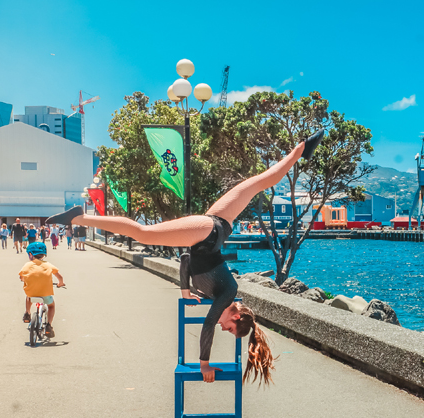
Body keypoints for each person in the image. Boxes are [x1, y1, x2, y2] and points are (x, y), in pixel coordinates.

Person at [46, 131, 325, 383]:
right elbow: (207, 326)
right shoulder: (228, 294)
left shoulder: (213, 296)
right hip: (208, 233)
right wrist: (205, 363)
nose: (224, 329)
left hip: (218, 226)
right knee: (142, 232)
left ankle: (303, 148)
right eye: (230, 328)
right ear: (237, 315)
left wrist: (184, 290)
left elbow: (186, 261)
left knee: (256, 184)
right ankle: (79, 217)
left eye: (226, 331)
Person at [19, 242, 65, 338]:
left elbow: (21, 277)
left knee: (28, 297)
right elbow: (59, 276)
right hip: (46, 294)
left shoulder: (27, 265)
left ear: (30, 254)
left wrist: (25, 279)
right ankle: (48, 325)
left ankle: (27, 313)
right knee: (51, 306)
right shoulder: (48, 265)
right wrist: (60, 283)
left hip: (32, 293)